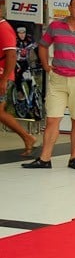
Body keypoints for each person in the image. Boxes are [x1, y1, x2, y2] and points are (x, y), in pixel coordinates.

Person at [22, 0, 75, 170]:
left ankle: (74, 158)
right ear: (69, 7)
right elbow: (43, 45)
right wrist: (46, 66)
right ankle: (45, 159)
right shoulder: (56, 26)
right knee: (52, 119)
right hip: (58, 78)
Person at [0, 17, 36, 156]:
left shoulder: (3, 28)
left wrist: (4, 80)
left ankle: (27, 137)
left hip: (3, 75)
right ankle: (27, 137)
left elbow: (11, 55)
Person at [14, 25, 36, 94]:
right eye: (20, 33)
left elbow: (35, 46)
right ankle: (20, 95)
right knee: (18, 78)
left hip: (25, 62)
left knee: (29, 80)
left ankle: (31, 98)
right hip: (16, 62)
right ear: (17, 33)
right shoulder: (15, 40)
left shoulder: (28, 39)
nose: (22, 35)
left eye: (23, 33)